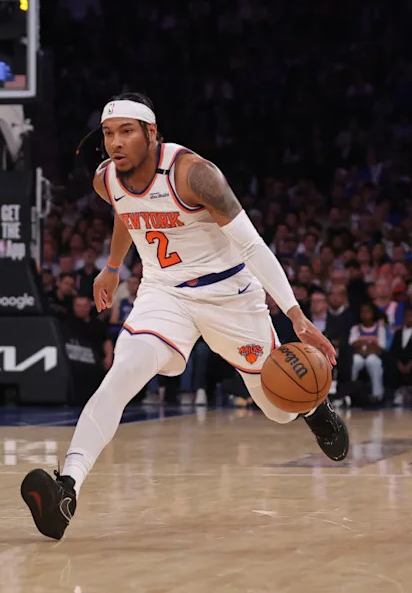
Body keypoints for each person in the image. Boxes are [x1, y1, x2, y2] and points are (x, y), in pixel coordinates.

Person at [21, 93, 348, 540]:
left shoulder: (196, 175)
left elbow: (252, 247)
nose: (115, 143)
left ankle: (314, 407)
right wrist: (113, 267)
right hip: (164, 294)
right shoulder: (106, 179)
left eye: (126, 132)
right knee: (121, 374)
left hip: (229, 293)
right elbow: (125, 213)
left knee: (276, 408)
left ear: (153, 133)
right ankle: (67, 488)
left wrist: (296, 316)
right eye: (109, 134)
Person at [349, 302, 386, 403]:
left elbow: (380, 348)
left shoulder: (380, 328)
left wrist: (363, 344)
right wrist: (370, 345)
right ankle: (350, 392)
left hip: (374, 356)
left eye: (368, 311)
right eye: (363, 312)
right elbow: (353, 346)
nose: (365, 314)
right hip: (359, 356)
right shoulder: (355, 328)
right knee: (355, 361)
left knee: (372, 361)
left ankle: (377, 394)